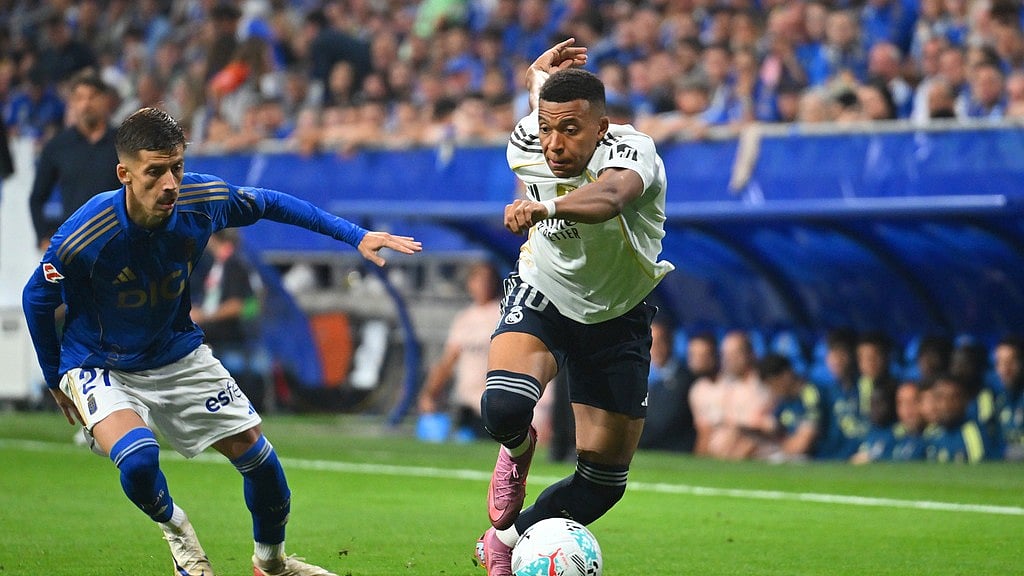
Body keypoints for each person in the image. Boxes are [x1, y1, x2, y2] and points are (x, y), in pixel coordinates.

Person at [22, 107, 421, 576]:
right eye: (155, 172)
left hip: (176, 352)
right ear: (124, 174)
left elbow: (270, 203)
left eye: (177, 167)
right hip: (100, 362)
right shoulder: (87, 232)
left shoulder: (202, 197)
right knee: (139, 461)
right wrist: (55, 378)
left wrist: (355, 235)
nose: (170, 184)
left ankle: (272, 564)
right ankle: (179, 534)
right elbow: (36, 298)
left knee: (263, 465)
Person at [473, 38, 673, 576]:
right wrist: (534, 79)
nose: (554, 144)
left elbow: (610, 197)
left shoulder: (633, 150)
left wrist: (544, 208)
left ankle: (505, 539)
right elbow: (543, 104)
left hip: (619, 315)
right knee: (504, 409)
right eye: (547, 129)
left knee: (602, 484)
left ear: (601, 128)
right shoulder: (528, 140)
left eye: (570, 130)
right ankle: (517, 452)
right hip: (544, 292)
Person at [29, 72, 121, 250]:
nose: (86, 104)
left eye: (92, 97)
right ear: (71, 103)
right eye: (79, 98)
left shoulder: (124, 143)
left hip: (118, 244)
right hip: (74, 246)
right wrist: (43, 237)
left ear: (105, 100)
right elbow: (37, 198)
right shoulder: (58, 146)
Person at [417, 261, 502, 441]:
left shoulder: (503, 314)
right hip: (467, 403)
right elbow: (449, 360)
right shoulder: (464, 318)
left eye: (487, 280)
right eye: (478, 280)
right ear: (470, 283)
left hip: (495, 403)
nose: (483, 285)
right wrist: (429, 393)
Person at [189, 228, 265, 412]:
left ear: (212, 237)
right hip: (216, 330)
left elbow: (238, 305)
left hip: (228, 333)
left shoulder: (234, 264)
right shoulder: (221, 264)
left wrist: (204, 315)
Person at [637, 319, 695, 453]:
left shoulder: (685, 379)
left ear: (670, 342)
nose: (655, 349)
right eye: (651, 343)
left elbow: (665, 420)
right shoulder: (643, 377)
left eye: (660, 342)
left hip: (674, 449)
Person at [760, 353, 824, 462]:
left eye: (772, 384)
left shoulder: (810, 394)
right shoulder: (785, 402)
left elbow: (803, 444)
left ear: (786, 375)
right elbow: (771, 429)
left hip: (819, 458)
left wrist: (776, 450)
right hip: (793, 455)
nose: (772, 390)